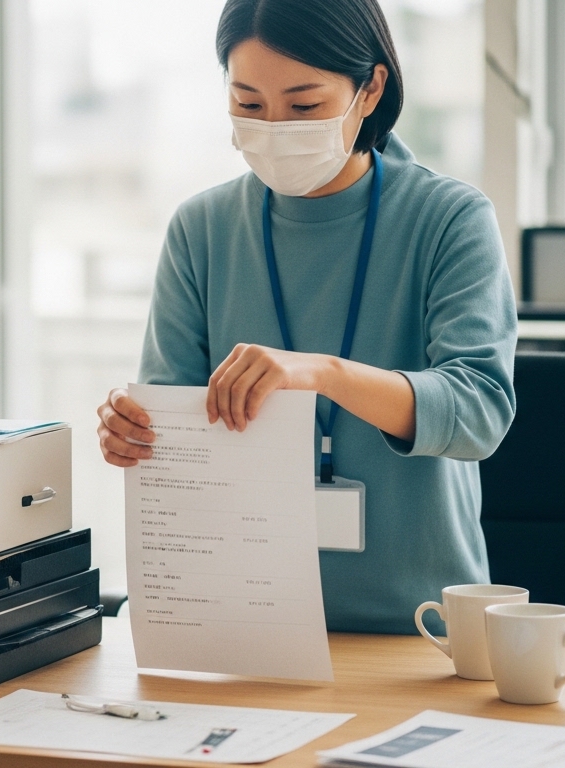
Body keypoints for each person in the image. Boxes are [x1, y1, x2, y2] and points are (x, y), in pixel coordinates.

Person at [94, 0, 517, 634]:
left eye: (304, 106)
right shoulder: (201, 229)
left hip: (417, 633)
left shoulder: (449, 219)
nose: (274, 127)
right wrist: (134, 432)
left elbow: (479, 412)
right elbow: (175, 423)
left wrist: (321, 374)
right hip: (240, 631)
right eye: (249, 104)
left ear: (369, 88)